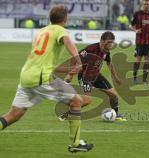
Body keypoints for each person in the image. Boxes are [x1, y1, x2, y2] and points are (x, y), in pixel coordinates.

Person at [0, 5, 93, 152]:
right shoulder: (60, 30)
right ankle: (75, 144)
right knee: (76, 101)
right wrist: (79, 61)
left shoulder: (41, 32)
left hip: (26, 75)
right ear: (65, 19)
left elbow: (44, 62)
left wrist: (69, 69)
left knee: (14, 114)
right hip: (41, 77)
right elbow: (68, 42)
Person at [65, 31, 126, 121]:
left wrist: (115, 77)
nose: (110, 45)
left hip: (96, 75)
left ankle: (115, 114)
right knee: (87, 101)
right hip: (85, 76)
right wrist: (70, 74)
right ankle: (66, 114)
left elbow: (109, 63)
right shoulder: (91, 49)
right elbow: (75, 57)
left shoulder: (106, 51)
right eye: (108, 42)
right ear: (101, 40)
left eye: (111, 43)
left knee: (113, 95)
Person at [129, 0, 149, 84]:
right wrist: (136, 30)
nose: (146, 5)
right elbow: (130, 26)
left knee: (147, 60)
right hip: (139, 41)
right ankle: (134, 78)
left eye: (148, 4)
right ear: (142, 4)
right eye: (145, 4)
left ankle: (145, 80)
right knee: (138, 59)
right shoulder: (137, 14)